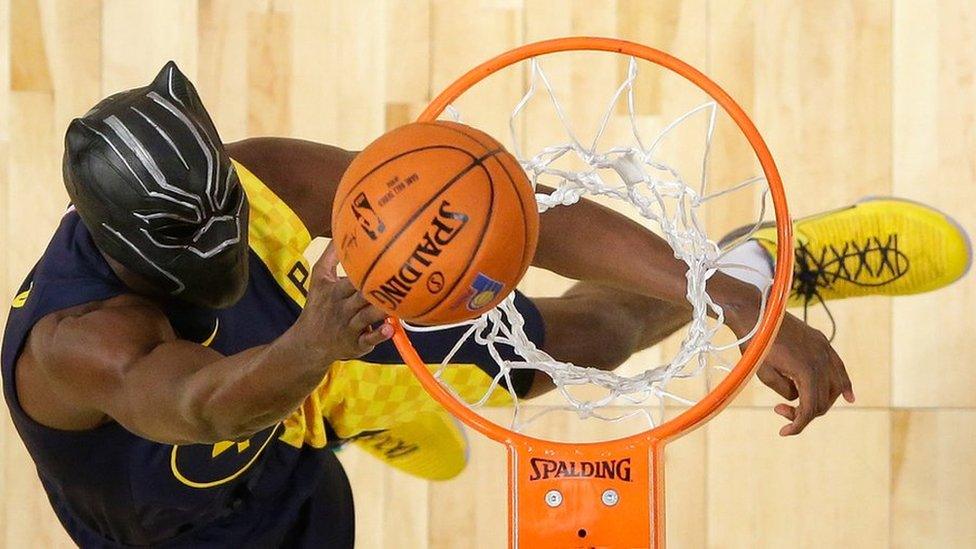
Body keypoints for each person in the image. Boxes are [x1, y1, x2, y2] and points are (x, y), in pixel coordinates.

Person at [2, 62, 969, 548]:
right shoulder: (80, 345)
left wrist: (732, 304)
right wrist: (318, 344)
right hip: (191, 514)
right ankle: (347, 408)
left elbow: (521, 211)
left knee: (578, 343)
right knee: (293, 421)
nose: (237, 213)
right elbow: (205, 404)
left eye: (229, 189)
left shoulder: (258, 180)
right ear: (132, 249)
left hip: (313, 338)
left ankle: (766, 268)